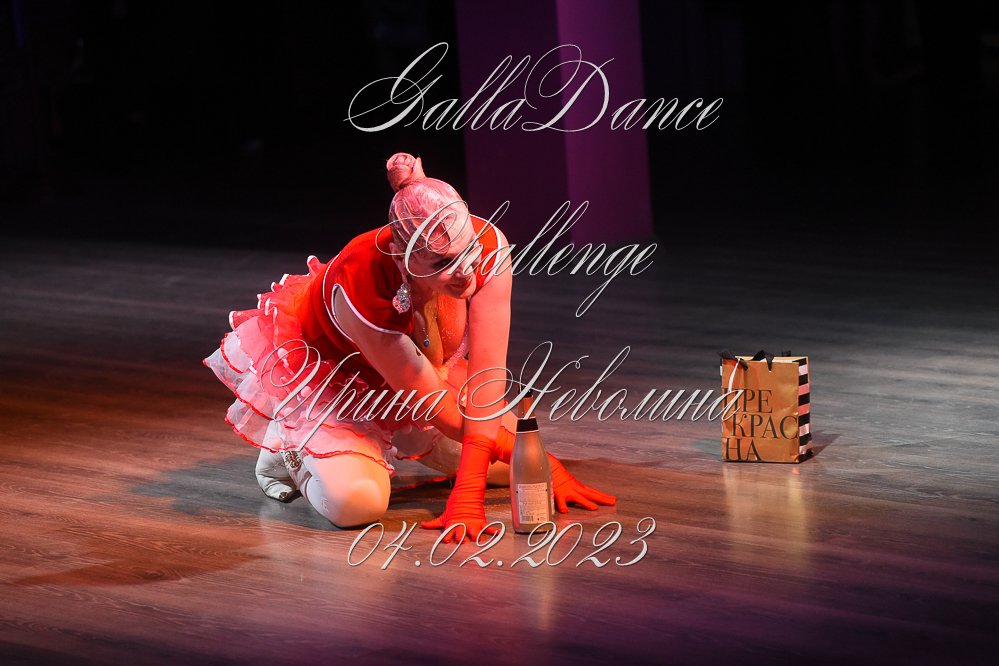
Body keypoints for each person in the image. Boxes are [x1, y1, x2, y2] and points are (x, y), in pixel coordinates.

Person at [203, 152, 615, 542]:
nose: (465, 272)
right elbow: (434, 406)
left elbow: (487, 381)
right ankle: (291, 449)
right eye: (442, 263)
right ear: (402, 258)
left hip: (414, 383)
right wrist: (494, 475)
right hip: (340, 385)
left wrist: (523, 464)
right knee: (356, 505)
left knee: (510, 467)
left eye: (468, 252)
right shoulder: (361, 283)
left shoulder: (489, 245)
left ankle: (376, 450)